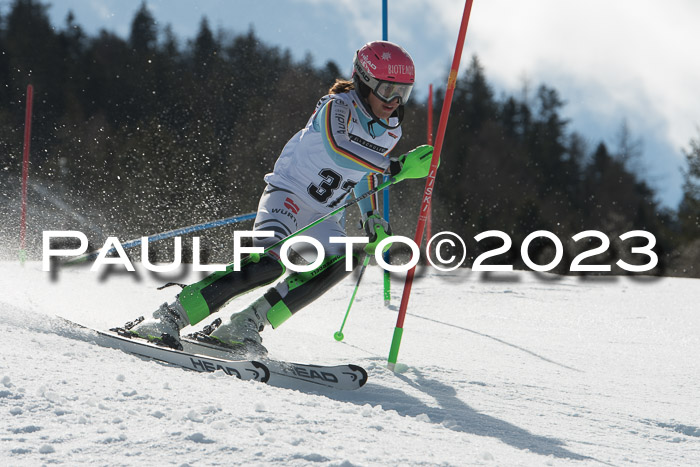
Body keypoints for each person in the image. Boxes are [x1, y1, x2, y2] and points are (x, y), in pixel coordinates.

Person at [123, 40, 434, 354]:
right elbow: (339, 148)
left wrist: (372, 218)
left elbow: (362, 173)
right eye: (387, 90)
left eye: (402, 93)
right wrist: (394, 167)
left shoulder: (391, 131)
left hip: (324, 216)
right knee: (266, 265)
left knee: (346, 260)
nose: (394, 101)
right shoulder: (336, 106)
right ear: (365, 81)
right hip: (287, 197)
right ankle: (168, 316)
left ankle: (245, 324)